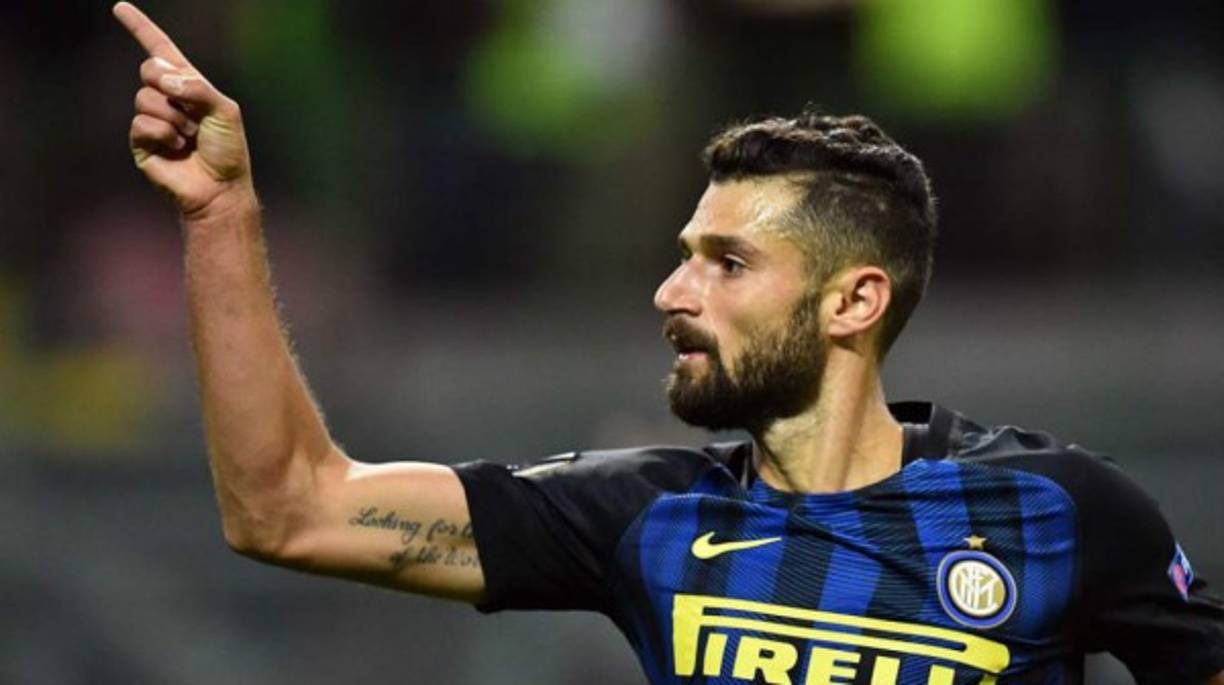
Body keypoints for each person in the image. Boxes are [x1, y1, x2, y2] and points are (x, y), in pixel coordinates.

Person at [113, 2, 1224, 683]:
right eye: (685, 251)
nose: (671, 290)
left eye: (727, 263)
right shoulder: (649, 515)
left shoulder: (1061, 510)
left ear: (854, 302)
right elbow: (289, 505)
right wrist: (222, 217)